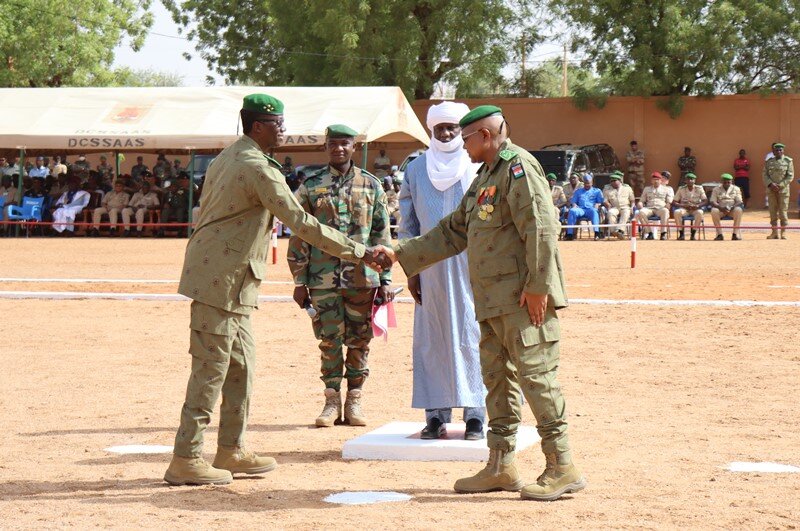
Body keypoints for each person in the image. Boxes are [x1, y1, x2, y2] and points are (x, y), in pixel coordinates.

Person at [370, 105, 585, 502]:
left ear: (485, 136)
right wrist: (400, 251)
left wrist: (539, 287)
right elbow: (454, 231)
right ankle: (501, 466)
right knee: (498, 382)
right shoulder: (486, 176)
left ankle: (562, 465)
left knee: (537, 379)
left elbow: (540, 226)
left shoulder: (518, 168)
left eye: (466, 138)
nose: (460, 145)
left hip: (523, 301)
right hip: (490, 300)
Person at [165, 94, 374, 487]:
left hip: (231, 279)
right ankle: (186, 457)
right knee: (210, 369)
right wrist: (359, 252)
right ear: (258, 126)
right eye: (278, 124)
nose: (284, 130)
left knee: (241, 368)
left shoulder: (229, 156)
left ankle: (231, 449)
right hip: (220, 280)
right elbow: (300, 222)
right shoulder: (256, 166)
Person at [287, 124, 393, 428]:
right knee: (329, 340)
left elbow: (381, 236)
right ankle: (331, 402)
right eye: (333, 144)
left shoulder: (371, 186)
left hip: (363, 279)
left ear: (354, 147)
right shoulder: (310, 187)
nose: (339, 149)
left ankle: (354, 401)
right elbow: (299, 235)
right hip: (322, 280)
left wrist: (385, 280)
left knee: (360, 341)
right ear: (326, 148)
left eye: (345, 144)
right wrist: (299, 280)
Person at [398, 101, 485, 441]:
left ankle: (476, 414)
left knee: (473, 335)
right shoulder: (416, 169)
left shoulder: (477, 166)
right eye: (440, 128)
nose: (447, 133)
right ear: (431, 130)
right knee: (432, 339)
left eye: (453, 127)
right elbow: (408, 223)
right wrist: (411, 268)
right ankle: (435, 415)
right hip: (430, 268)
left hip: (472, 265)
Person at [763, 142, 794, 239]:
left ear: (783, 151)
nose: (779, 151)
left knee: (783, 211)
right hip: (771, 190)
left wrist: (780, 185)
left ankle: (783, 232)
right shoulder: (769, 161)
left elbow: (790, 176)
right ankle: (774, 232)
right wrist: (771, 184)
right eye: (777, 150)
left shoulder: (788, 161)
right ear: (774, 151)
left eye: (780, 150)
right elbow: (765, 174)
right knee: (772, 211)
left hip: (783, 191)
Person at [565, 174, 604, 240]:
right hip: (581, 209)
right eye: (585, 183)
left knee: (594, 212)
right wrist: (574, 205)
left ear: (592, 183)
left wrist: (598, 204)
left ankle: (597, 233)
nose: (587, 185)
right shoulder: (578, 191)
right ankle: (569, 234)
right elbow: (573, 201)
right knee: (572, 211)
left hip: (591, 209)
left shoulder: (597, 191)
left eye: (588, 183)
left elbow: (601, 201)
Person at [636, 172, 673, 240]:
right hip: (649, 208)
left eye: (657, 179)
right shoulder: (647, 189)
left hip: (660, 208)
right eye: (654, 179)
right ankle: (650, 233)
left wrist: (668, 204)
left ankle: (663, 233)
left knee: (665, 211)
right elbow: (642, 200)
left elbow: (669, 201)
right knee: (641, 212)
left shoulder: (666, 189)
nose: (656, 181)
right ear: (651, 181)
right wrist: (640, 203)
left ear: (660, 180)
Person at [672, 173, 707, 240]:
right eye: (688, 179)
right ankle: (681, 234)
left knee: (700, 212)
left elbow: (705, 201)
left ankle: (693, 234)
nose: (690, 181)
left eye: (692, 179)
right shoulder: (681, 189)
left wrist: (698, 206)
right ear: (685, 181)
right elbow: (674, 202)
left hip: (695, 209)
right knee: (677, 212)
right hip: (684, 209)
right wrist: (683, 205)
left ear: (694, 180)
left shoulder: (699, 188)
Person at [710, 173, 744, 241]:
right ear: (722, 181)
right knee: (714, 211)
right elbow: (712, 201)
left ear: (731, 181)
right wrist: (721, 208)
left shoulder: (736, 189)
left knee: (739, 210)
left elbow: (739, 201)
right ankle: (720, 235)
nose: (727, 184)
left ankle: (735, 235)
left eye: (729, 182)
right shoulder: (716, 189)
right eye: (725, 182)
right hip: (721, 209)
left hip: (732, 209)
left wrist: (731, 207)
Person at [603, 170, 635, 239]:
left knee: (626, 212)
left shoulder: (627, 188)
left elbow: (632, 200)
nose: (613, 182)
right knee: (610, 212)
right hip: (614, 207)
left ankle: (620, 230)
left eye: (615, 180)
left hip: (625, 207)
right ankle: (614, 231)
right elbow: (605, 200)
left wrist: (632, 207)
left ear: (620, 181)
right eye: (612, 181)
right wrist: (607, 204)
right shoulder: (607, 189)